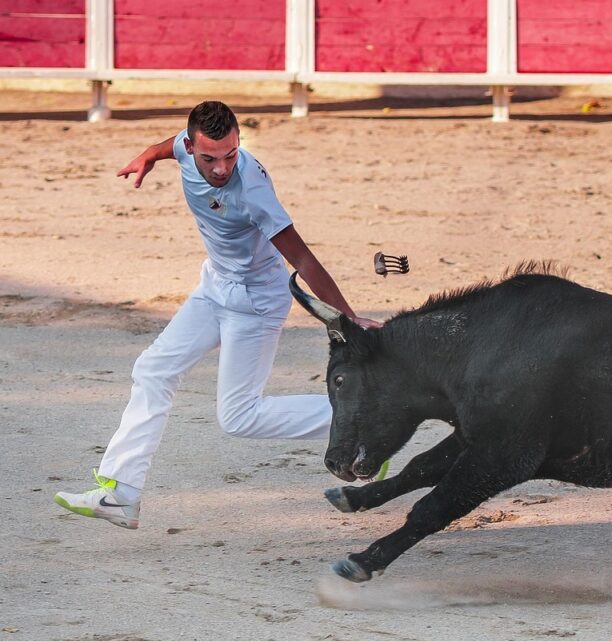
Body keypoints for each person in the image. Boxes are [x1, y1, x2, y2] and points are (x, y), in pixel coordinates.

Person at [54, 100, 378, 529]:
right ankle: (120, 494)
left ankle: (366, 422)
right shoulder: (187, 150)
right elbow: (168, 146)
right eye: (210, 158)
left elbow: (303, 260)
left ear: (239, 143)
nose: (222, 168)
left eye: (230, 155)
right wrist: (147, 157)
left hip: (256, 301)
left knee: (239, 418)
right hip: (214, 286)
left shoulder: (252, 190)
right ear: (193, 146)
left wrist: (347, 318)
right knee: (153, 370)